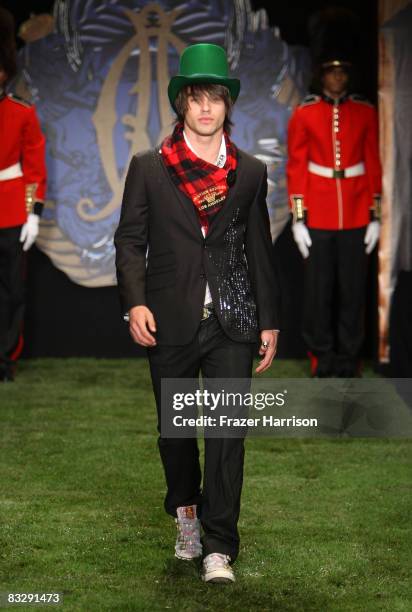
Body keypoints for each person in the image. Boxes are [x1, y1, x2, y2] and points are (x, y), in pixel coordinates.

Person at [114, 43, 280, 583]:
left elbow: (260, 248)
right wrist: (135, 302)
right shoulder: (149, 168)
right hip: (169, 317)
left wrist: (270, 319)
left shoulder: (250, 172)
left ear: (227, 105)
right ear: (182, 104)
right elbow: (129, 241)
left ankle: (219, 546)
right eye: (196, 98)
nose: (206, 108)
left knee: (229, 434)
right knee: (176, 433)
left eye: (216, 98)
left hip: (234, 318)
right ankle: (186, 515)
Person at [287, 58, 382, 377]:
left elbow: (373, 162)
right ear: (321, 76)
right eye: (331, 71)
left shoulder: (365, 112)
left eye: (343, 71)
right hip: (318, 213)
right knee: (318, 293)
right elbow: (297, 166)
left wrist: (375, 214)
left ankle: (349, 357)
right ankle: (321, 356)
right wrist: (299, 218)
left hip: (356, 213)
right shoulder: (305, 113)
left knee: (353, 292)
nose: (337, 77)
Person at [0, 8, 47, 382]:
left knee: (11, 292)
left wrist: (33, 213)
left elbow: (32, 168)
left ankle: (4, 357)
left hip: (11, 209)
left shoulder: (21, 112)